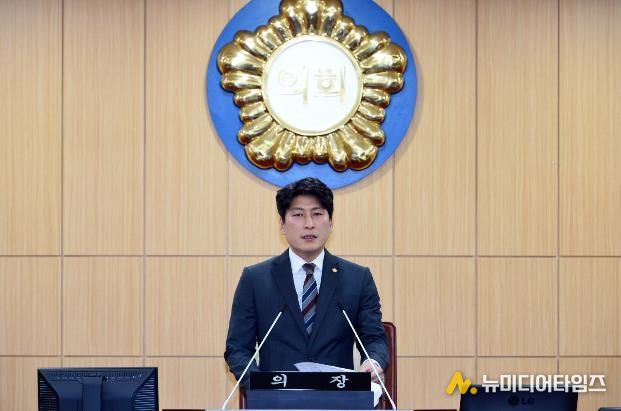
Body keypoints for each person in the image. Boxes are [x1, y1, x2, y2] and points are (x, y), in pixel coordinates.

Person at [224, 177, 388, 387]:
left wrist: (372, 362)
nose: (309, 224)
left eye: (317, 214)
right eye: (298, 215)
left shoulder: (357, 278)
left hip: (338, 397)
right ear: (282, 224)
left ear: (331, 222)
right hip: (277, 398)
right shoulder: (255, 279)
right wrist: (261, 386)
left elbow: (373, 338)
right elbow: (238, 349)